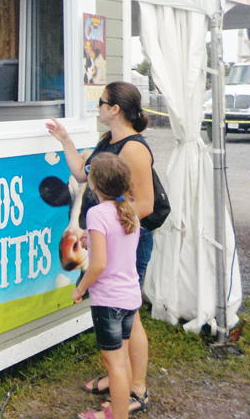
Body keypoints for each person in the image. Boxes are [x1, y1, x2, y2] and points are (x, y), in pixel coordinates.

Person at [46, 81, 154, 416]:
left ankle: (136, 388)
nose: (98, 107)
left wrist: (104, 226)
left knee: (130, 318)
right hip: (109, 238)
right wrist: (65, 140)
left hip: (126, 240)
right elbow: (82, 173)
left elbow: (146, 205)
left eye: (102, 102)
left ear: (115, 109)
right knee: (125, 319)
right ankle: (118, 376)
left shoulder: (135, 148)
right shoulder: (108, 141)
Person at [72, 153, 142, 419]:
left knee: (114, 366)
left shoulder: (96, 214)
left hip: (109, 302)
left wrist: (80, 289)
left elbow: (99, 264)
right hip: (130, 297)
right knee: (120, 361)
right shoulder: (129, 211)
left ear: (94, 184)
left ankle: (118, 415)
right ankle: (117, 410)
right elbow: (118, 248)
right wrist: (91, 240)